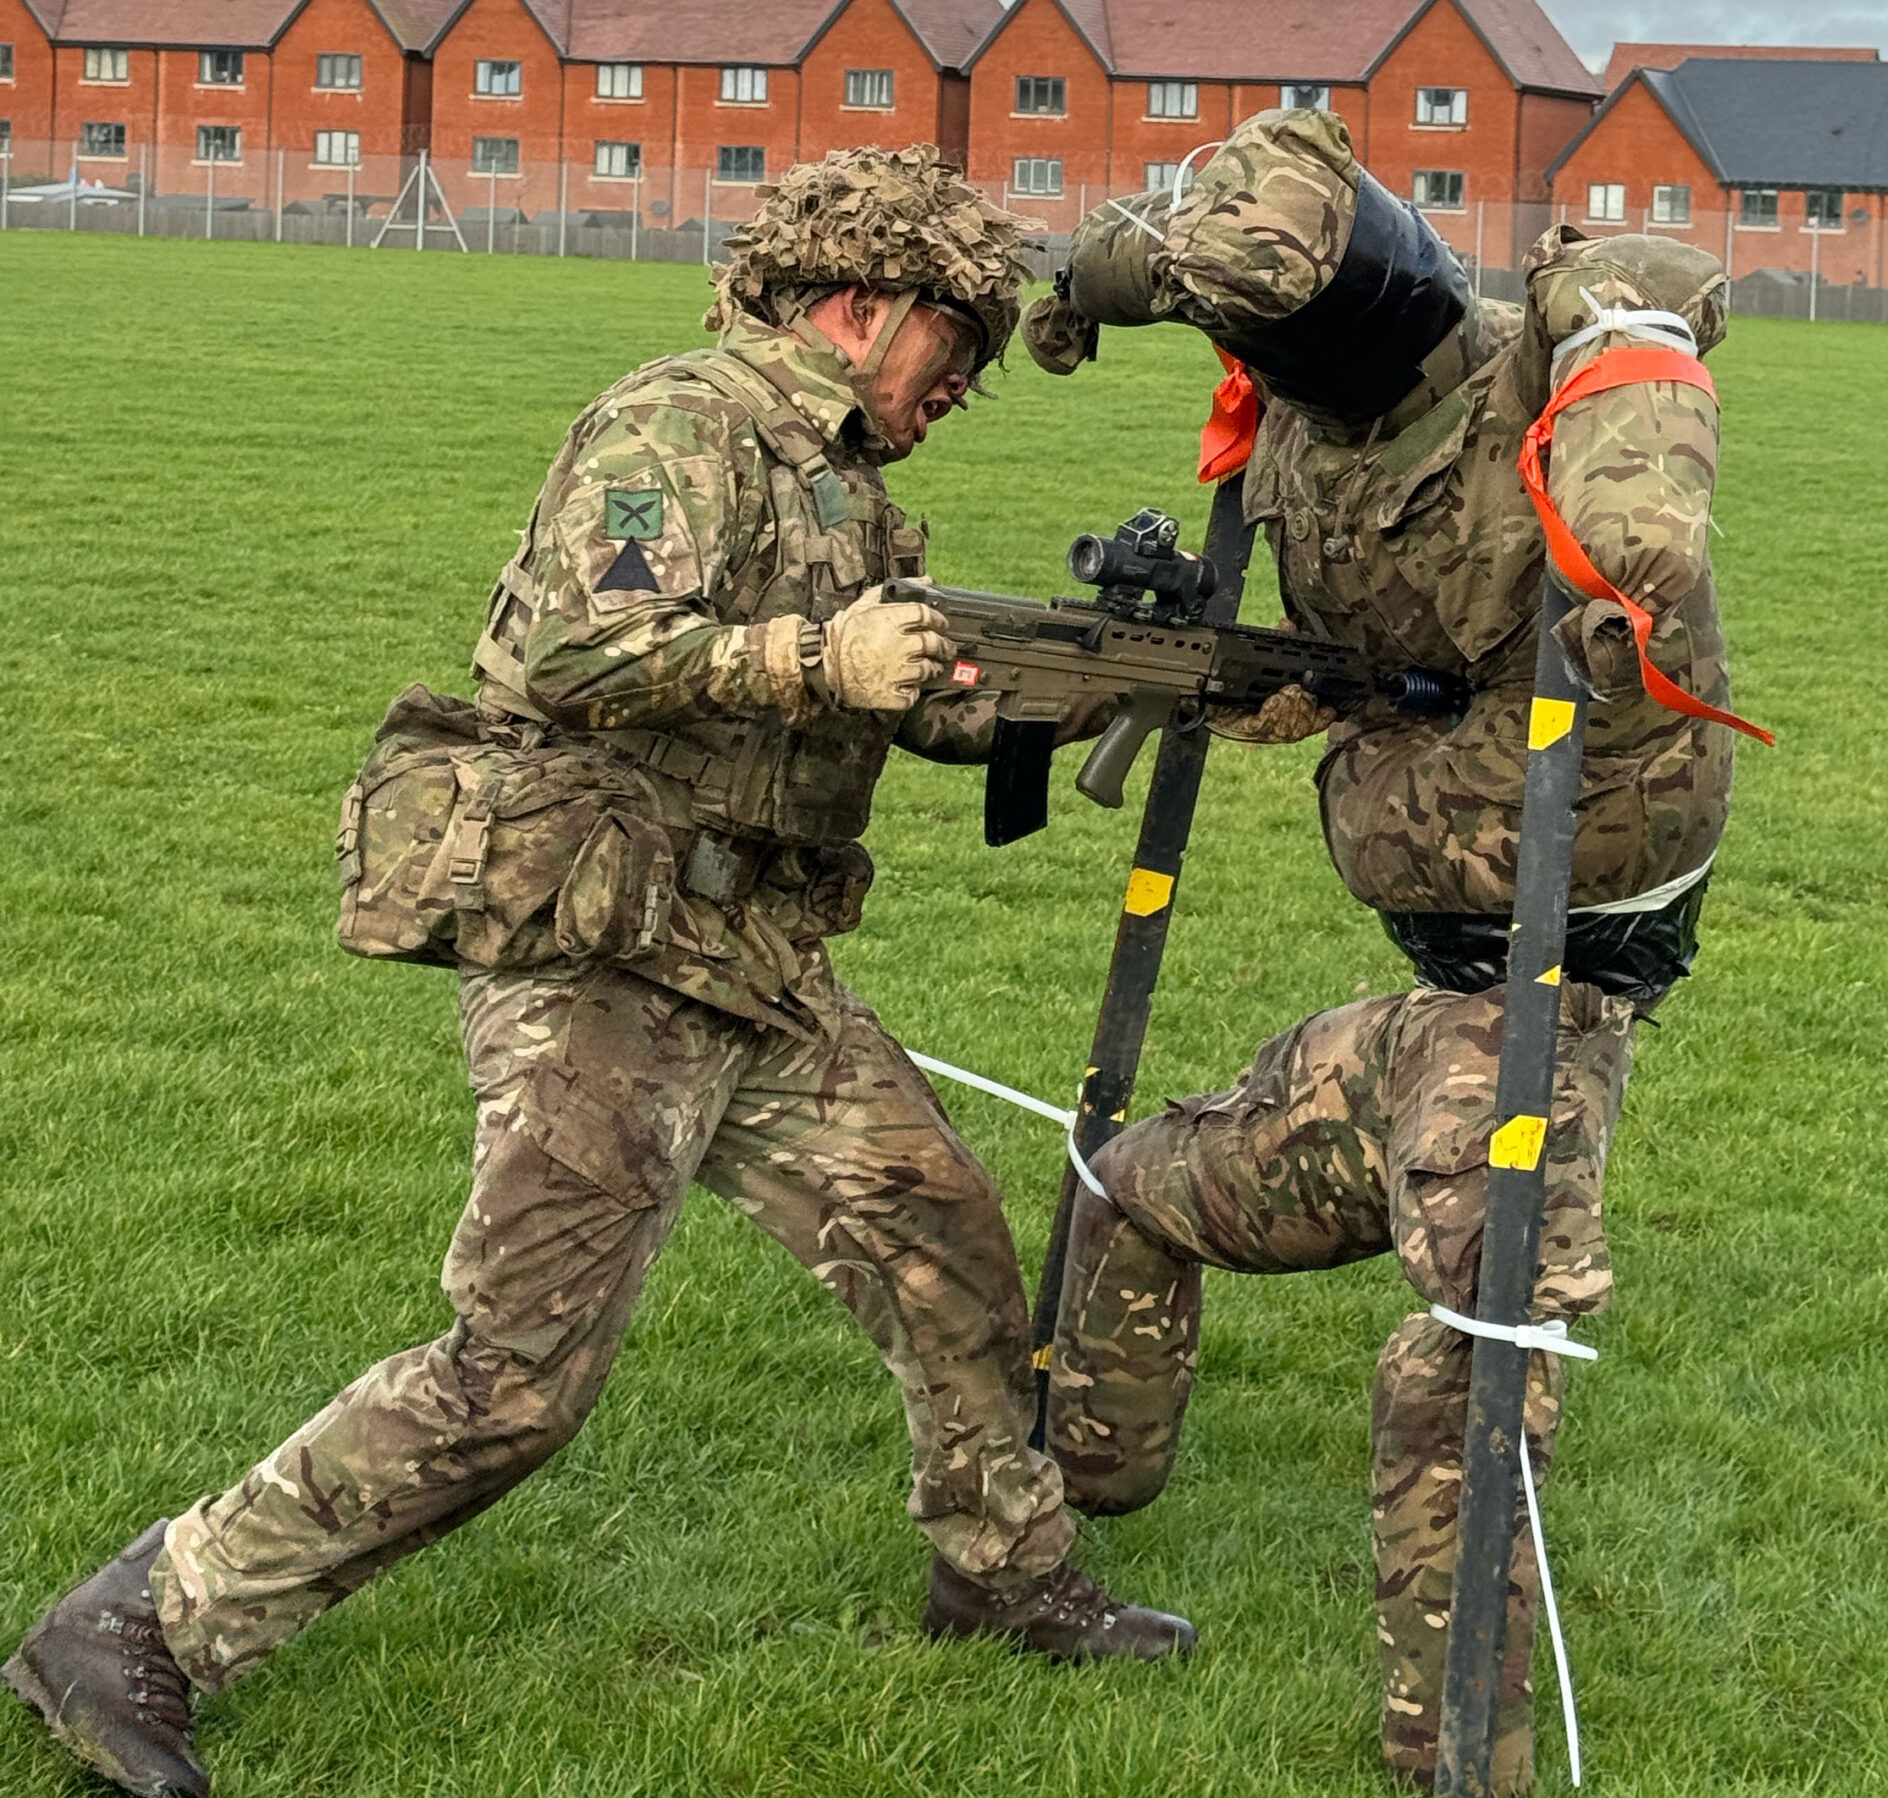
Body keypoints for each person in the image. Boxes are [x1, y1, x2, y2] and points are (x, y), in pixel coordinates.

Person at [7, 146, 1190, 1798]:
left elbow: (888, 694)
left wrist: (1083, 689)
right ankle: (143, 1618)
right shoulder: (682, 422)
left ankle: (1003, 1567)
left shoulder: (843, 485)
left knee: (939, 1232)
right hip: (605, 961)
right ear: (864, 303)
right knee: (517, 1376)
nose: (965, 384)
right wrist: (818, 652)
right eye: (956, 341)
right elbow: (580, 650)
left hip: (751, 960)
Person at [1022, 110, 1751, 1793]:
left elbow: (1650, 433)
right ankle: (1075, 1498)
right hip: (1438, 1000)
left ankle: (1455, 1754)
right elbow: (1172, 274)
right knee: (1138, 1181)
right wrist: (1076, 296)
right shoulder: (1295, 413)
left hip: (1551, 983)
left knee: (1472, 1354)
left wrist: (1621, 407)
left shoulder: (1535, 389)